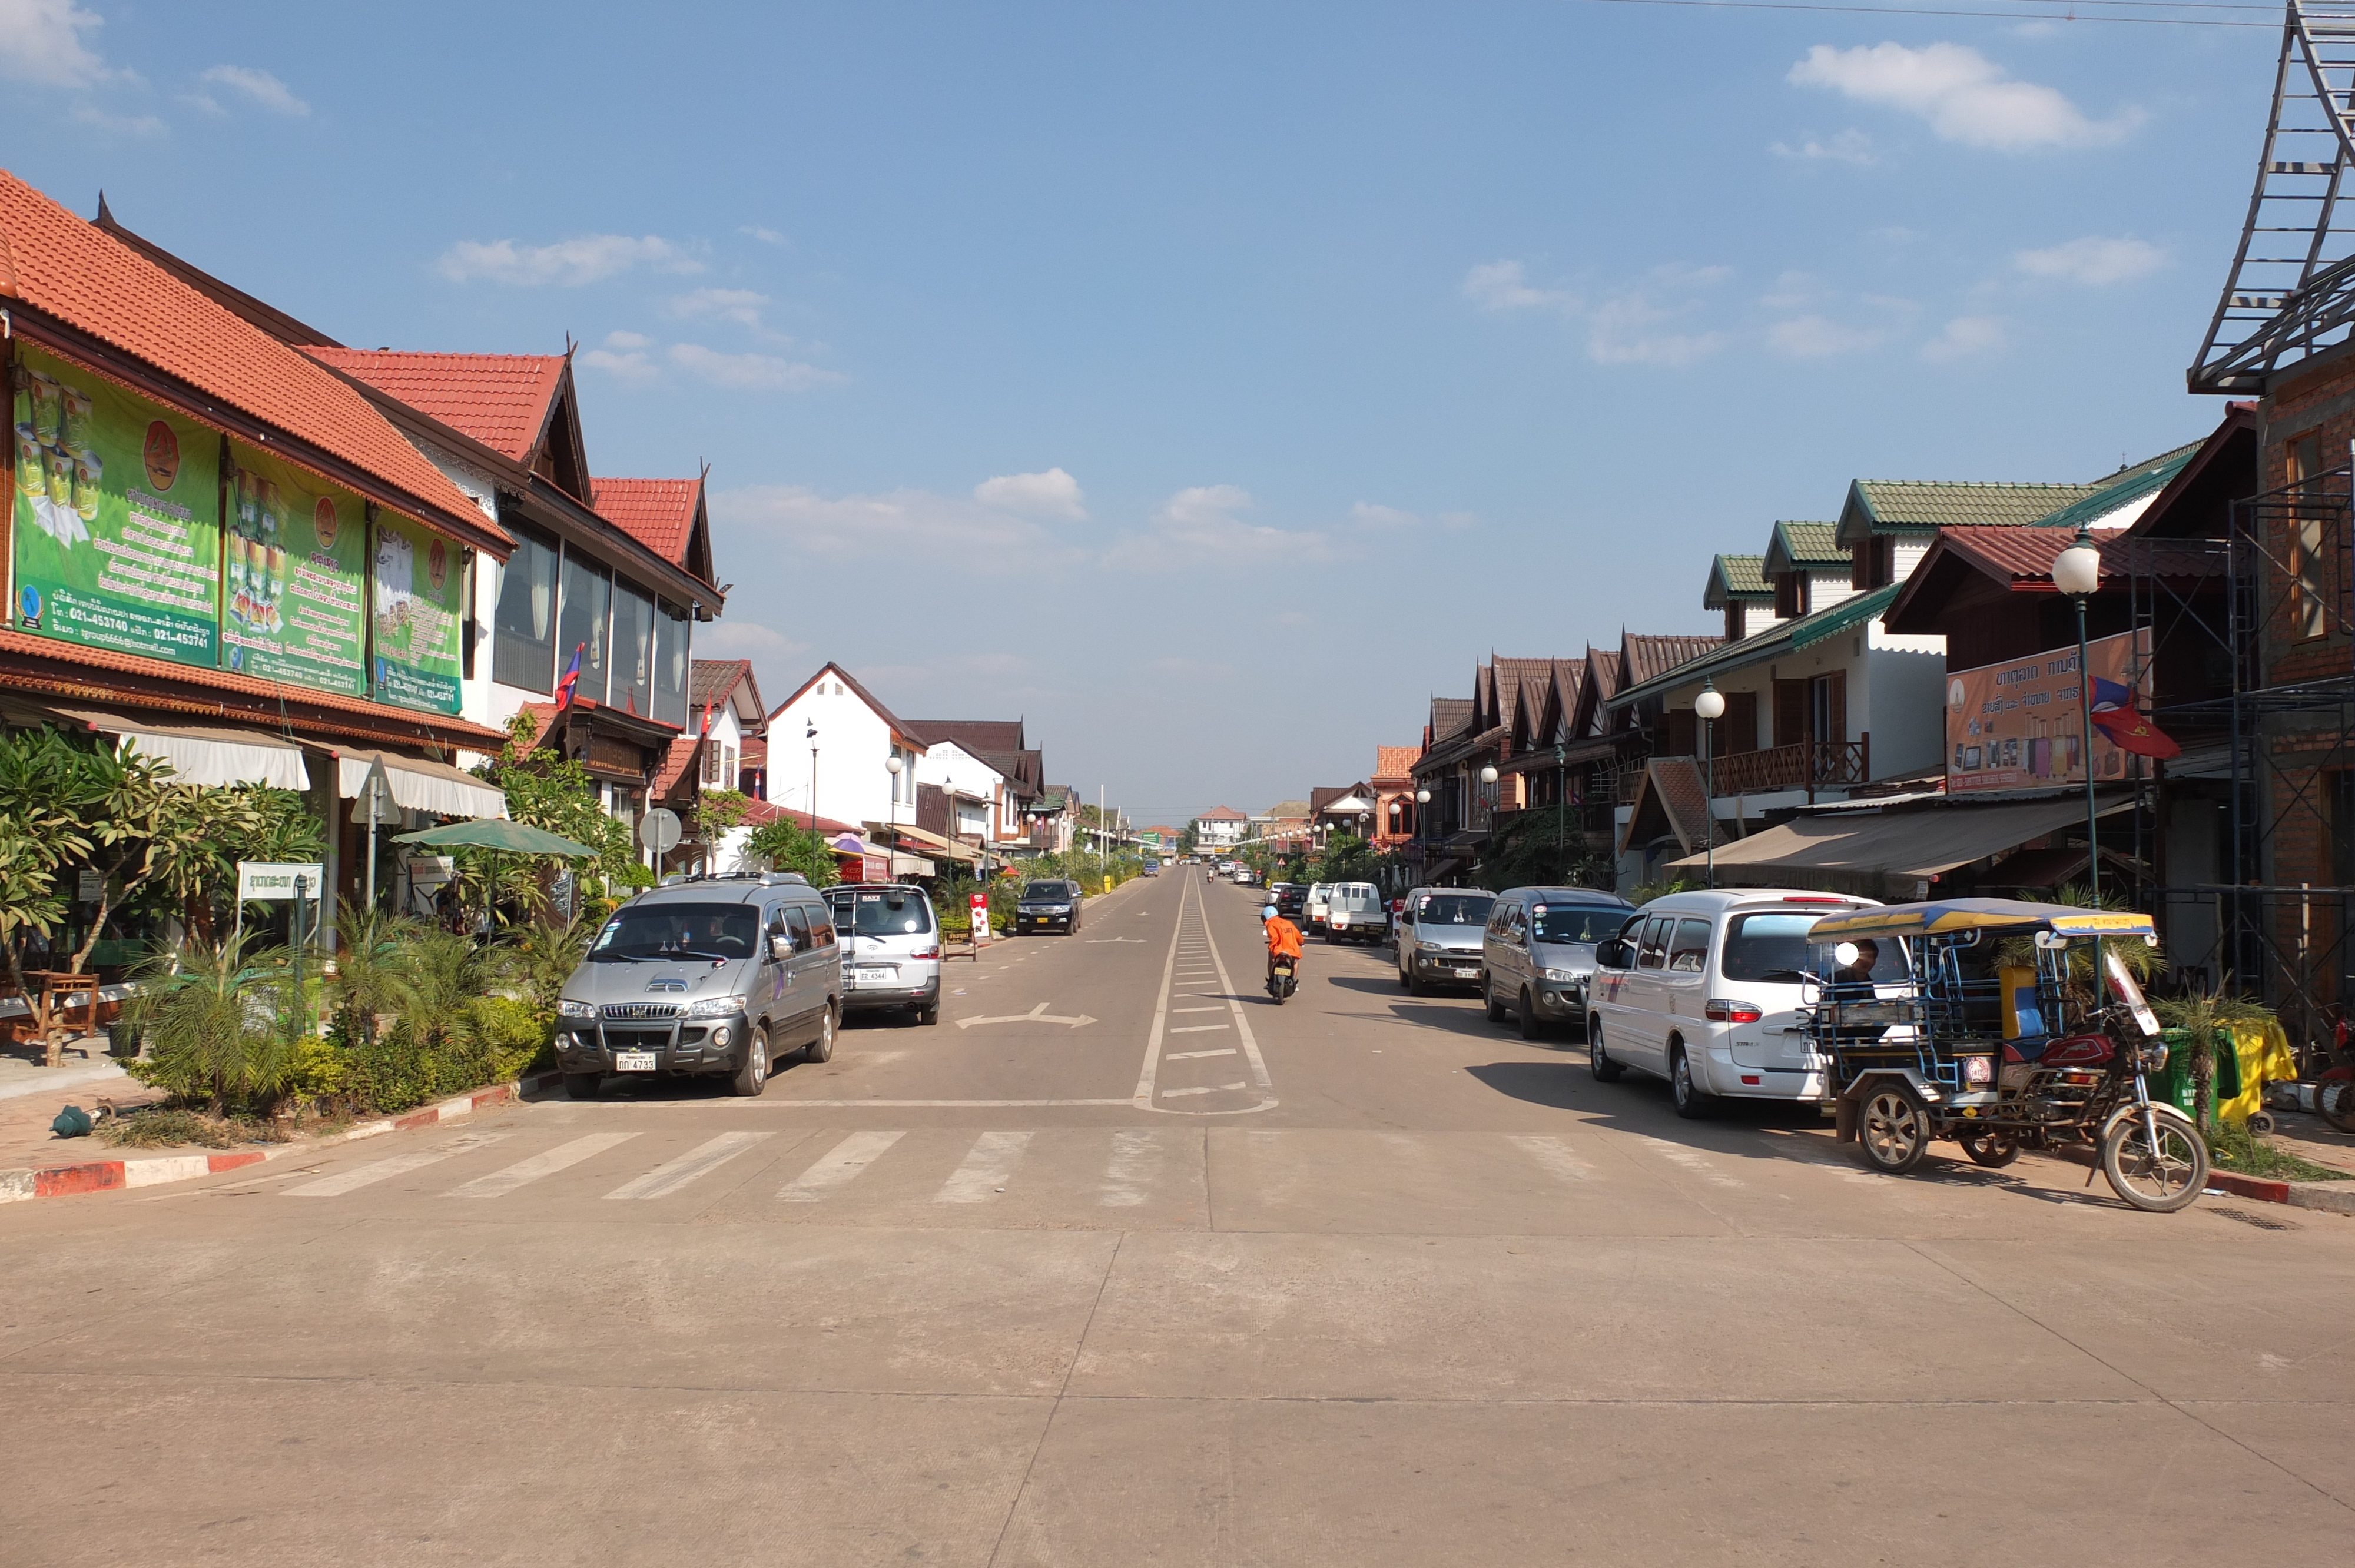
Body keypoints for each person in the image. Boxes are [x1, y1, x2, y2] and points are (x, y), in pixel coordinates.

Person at [1262, 901, 1303, 983]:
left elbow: (1274, 938)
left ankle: (1271, 980)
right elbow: (1298, 936)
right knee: (1295, 963)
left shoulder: (1271, 924)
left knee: (1270, 960)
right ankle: (1294, 981)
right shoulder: (1289, 923)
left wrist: (1271, 948)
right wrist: (1301, 942)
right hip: (1292, 951)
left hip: (1279, 950)